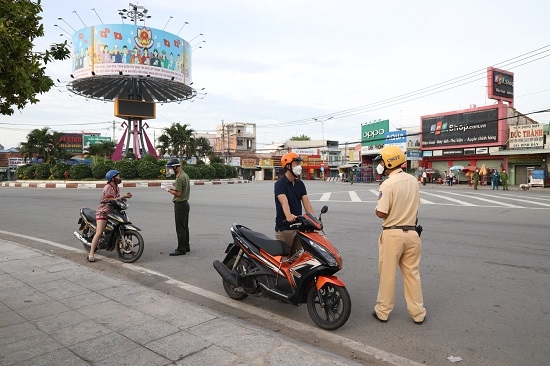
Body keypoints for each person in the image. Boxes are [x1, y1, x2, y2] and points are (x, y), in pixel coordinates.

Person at [372, 145, 426, 324]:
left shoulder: (387, 184)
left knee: (388, 275)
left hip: (392, 234)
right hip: (412, 233)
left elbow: (382, 212)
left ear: (389, 162)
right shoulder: (413, 181)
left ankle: (382, 312)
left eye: (381, 161)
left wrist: (376, 209)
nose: (380, 164)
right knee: (412, 275)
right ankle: (418, 313)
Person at [274, 152, 314, 257]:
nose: (299, 167)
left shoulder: (300, 183)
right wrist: (288, 215)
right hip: (285, 229)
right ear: (288, 166)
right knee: (283, 261)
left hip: (299, 227)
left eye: (299, 164)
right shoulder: (280, 184)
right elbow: (284, 201)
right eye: (296, 163)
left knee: (296, 260)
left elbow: (306, 202)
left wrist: (313, 219)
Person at [88, 170, 133, 262]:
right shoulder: (108, 187)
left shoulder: (116, 187)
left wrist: (124, 199)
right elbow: (110, 199)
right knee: (99, 232)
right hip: (103, 212)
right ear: (112, 178)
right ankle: (91, 254)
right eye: (118, 176)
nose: (119, 178)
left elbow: (117, 200)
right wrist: (123, 196)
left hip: (113, 212)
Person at [165, 158, 191, 256]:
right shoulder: (185, 175)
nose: (170, 169)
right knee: (185, 227)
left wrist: (167, 189)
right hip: (185, 204)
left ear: (175, 166)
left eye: (171, 167)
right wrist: (172, 186)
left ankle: (181, 249)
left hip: (180, 205)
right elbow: (180, 188)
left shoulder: (180, 177)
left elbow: (178, 193)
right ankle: (186, 246)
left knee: (180, 228)